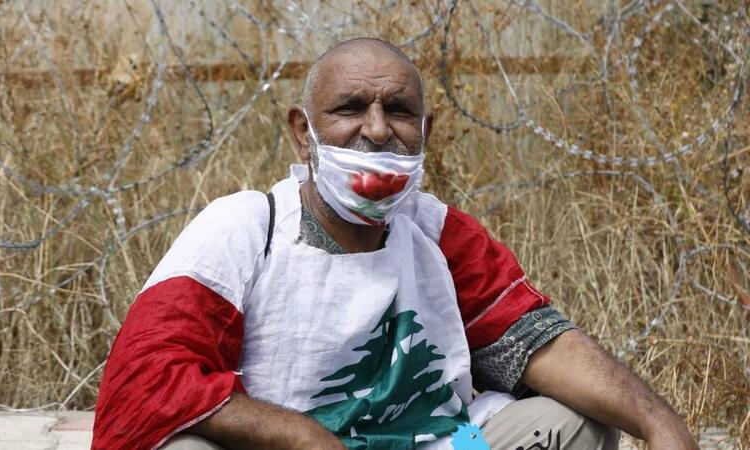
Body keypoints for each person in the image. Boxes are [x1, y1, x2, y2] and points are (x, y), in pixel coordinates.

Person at [91, 38, 698, 450]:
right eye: (350, 109)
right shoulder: (247, 227)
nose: (378, 131)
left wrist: (661, 424)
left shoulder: (437, 232)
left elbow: (536, 344)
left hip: (436, 443)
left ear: (424, 131)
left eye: (399, 111)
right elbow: (145, 383)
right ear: (303, 132)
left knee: (579, 424)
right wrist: (303, 437)